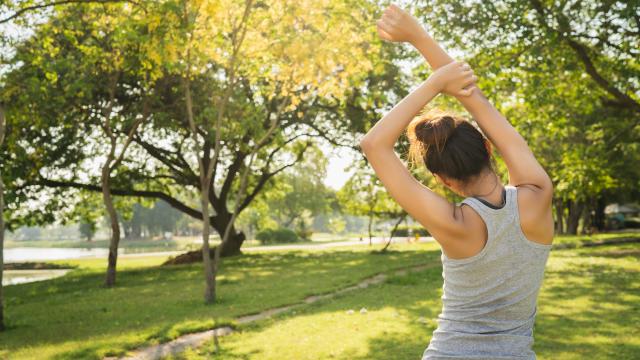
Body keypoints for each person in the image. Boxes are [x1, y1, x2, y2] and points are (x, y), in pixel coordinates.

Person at [359, 4, 555, 360]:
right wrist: (420, 38)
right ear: (487, 146)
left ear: (443, 180)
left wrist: (434, 84)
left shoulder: (453, 224)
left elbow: (374, 145)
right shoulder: (538, 196)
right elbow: (472, 97)